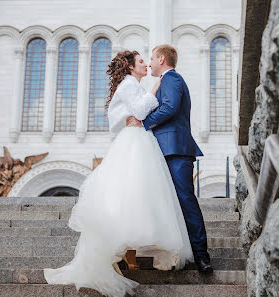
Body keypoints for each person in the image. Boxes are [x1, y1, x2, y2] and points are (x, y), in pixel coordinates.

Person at [43, 50, 194, 297]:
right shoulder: (128, 84)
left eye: (148, 60)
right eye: (141, 61)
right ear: (131, 67)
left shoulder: (131, 84)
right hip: (134, 141)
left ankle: (131, 253)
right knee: (130, 192)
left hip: (140, 139)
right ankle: (124, 252)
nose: (146, 64)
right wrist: (155, 88)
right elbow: (141, 109)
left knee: (138, 195)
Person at [126, 44, 213, 273]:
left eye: (152, 58)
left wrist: (144, 122)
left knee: (185, 199)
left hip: (175, 149)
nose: (150, 62)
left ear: (162, 59)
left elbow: (171, 107)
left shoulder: (172, 79)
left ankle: (202, 255)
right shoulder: (162, 82)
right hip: (161, 150)